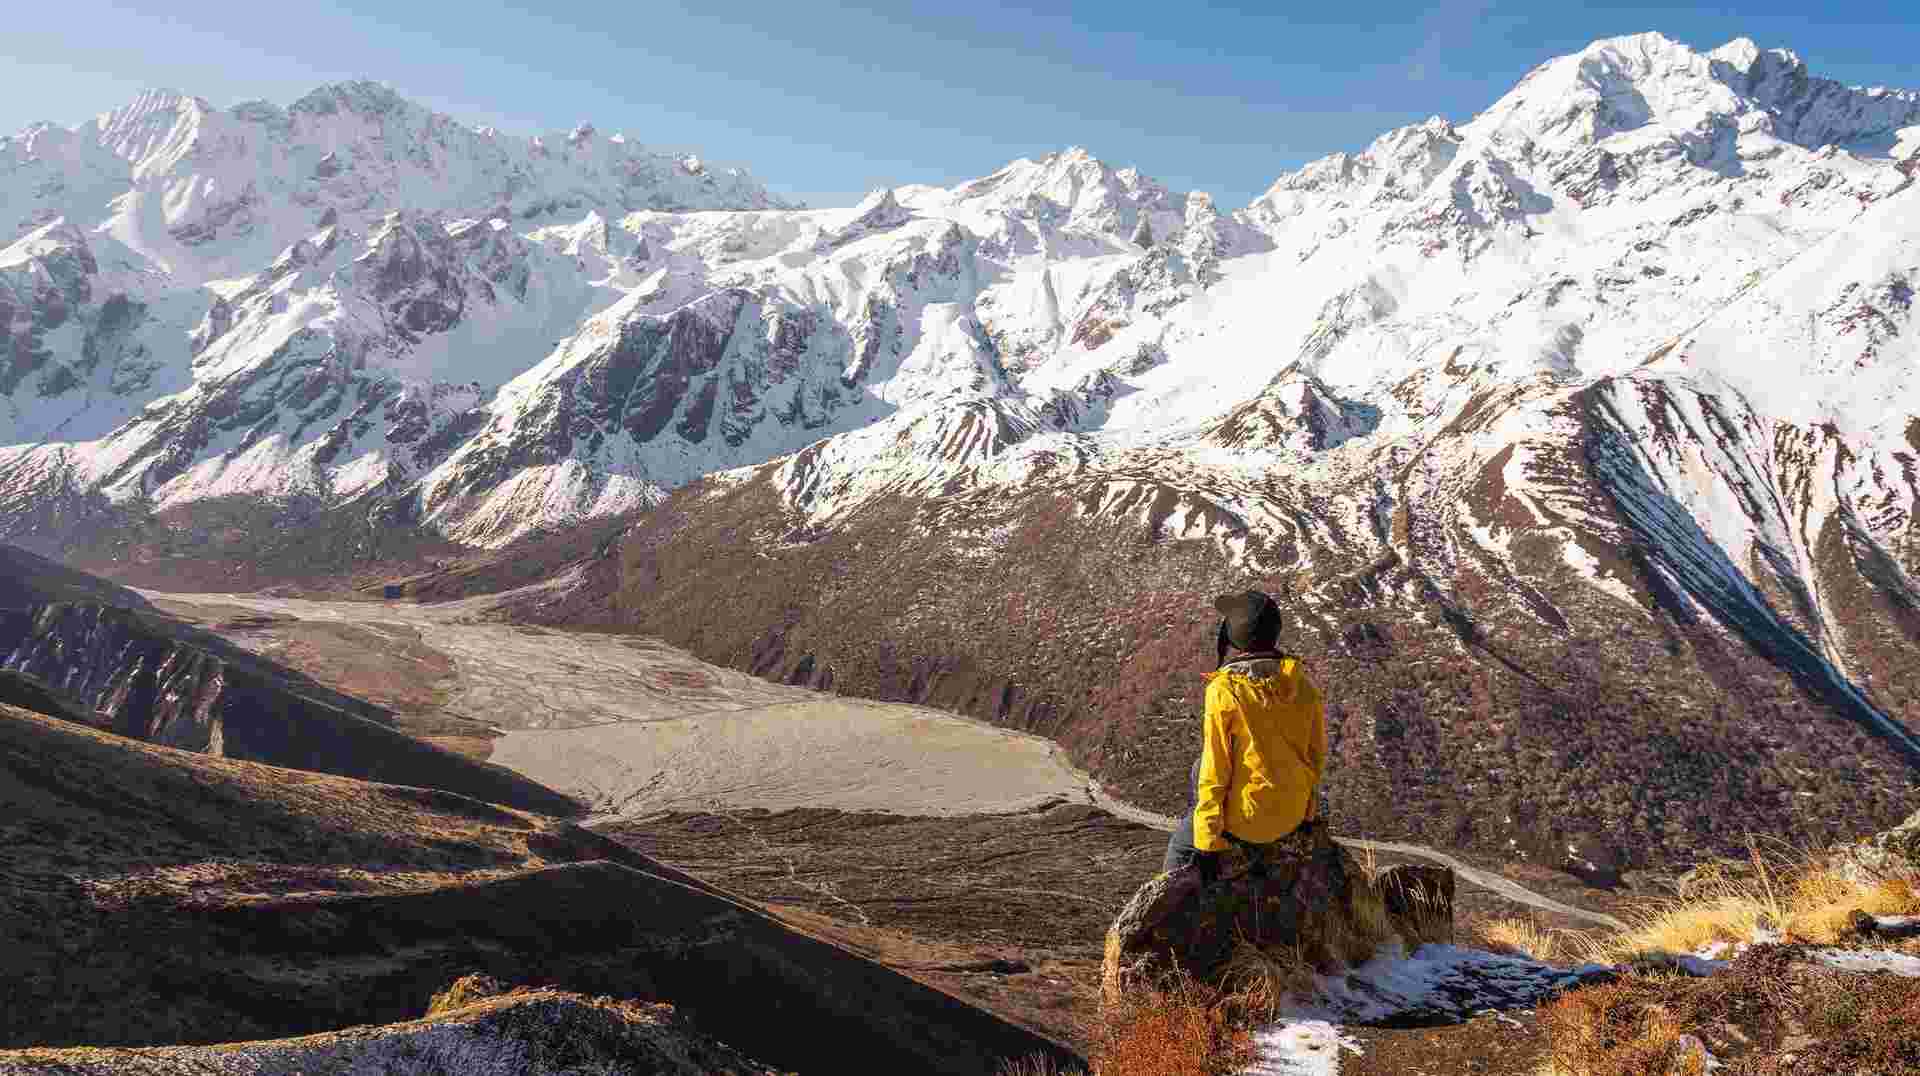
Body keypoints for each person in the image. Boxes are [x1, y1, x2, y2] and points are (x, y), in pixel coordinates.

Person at [1163, 590, 1329, 884]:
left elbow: (1217, 770)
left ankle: (1163, 913)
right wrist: (1307, 816)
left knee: (1180, 844)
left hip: (1247, 822)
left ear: (1233, 636)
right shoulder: (1303, 686)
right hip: (1292, 814)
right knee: (1196, 767)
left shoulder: (1225, 691)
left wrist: (1208, 841)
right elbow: (1314, 758)